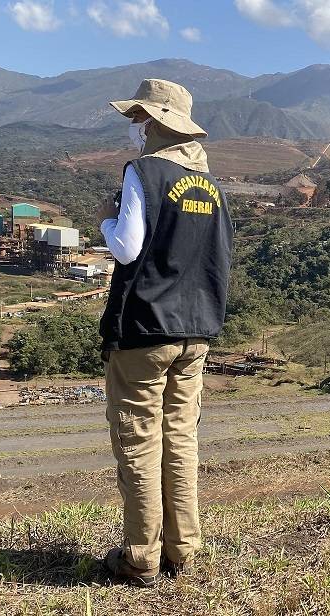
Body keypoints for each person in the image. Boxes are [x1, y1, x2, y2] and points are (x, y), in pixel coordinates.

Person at [95, 79, 233, 586]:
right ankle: (184, 549)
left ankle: (140, 558)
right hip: (196, 331)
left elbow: (127, 248)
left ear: (155, 123)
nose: (136, 127)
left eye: (139, 118)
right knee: (180, 439)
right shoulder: (212, 188)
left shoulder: (144, 172)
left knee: (139, 442)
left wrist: (106, 222)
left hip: (144, 331)